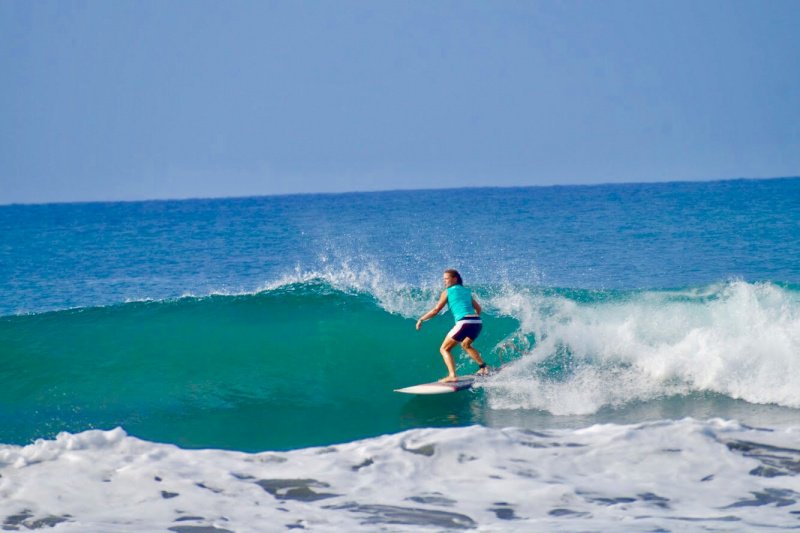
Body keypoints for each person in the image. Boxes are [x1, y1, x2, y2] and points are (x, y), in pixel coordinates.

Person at [416, 269, 488, 382]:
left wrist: (421, 319)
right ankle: (484, 367)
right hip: (477, 322)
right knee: (466, 345)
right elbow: (478, 309)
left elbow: (436, 310)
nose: (444, 281)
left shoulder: (447, 292)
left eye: (446, 278)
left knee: (444, 349)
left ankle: (452, 375)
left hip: (464, 322)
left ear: (455, 278)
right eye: (443, 279)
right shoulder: (466, 291)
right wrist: (473, 319)